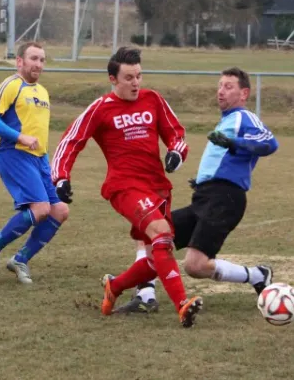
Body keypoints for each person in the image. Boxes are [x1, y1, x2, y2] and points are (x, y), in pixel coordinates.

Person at [51, 47, 203, 328]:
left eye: (139, 76)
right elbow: (70, 141)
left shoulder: (153, 99)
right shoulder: (101, 108)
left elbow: (176, 134)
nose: (136, 83)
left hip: (157, 186)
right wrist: (61, 177)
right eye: (129, 77)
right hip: (124, 187)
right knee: (161, 235)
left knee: (158, 255)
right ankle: (182, 305)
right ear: (113, 79)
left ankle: (115, 286)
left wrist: (176, 153)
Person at [115, 67, 278, 313]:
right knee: (149, 234)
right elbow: (223, 160)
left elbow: (269, 142)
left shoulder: (245, 117)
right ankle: (146, 296)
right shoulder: (226, 120)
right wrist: (203, 181)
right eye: (220, 85)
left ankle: (257, 275)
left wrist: (235, 142)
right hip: (206, 197)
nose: (221, 91)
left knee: (195, 265)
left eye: (228, 86)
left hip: (225, 199)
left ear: (244, 93)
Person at [0, 42, 69, 284]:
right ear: (20, 61)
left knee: (59, 211)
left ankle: (20, 259)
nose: (38, 64)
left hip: (39, 160)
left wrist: (48, 166)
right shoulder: (11, 85)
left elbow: (40, 134)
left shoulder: (42, 92)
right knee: (40, 209)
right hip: (13, 154)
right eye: (33, 58)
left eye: (42, 59)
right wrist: (20, 137)